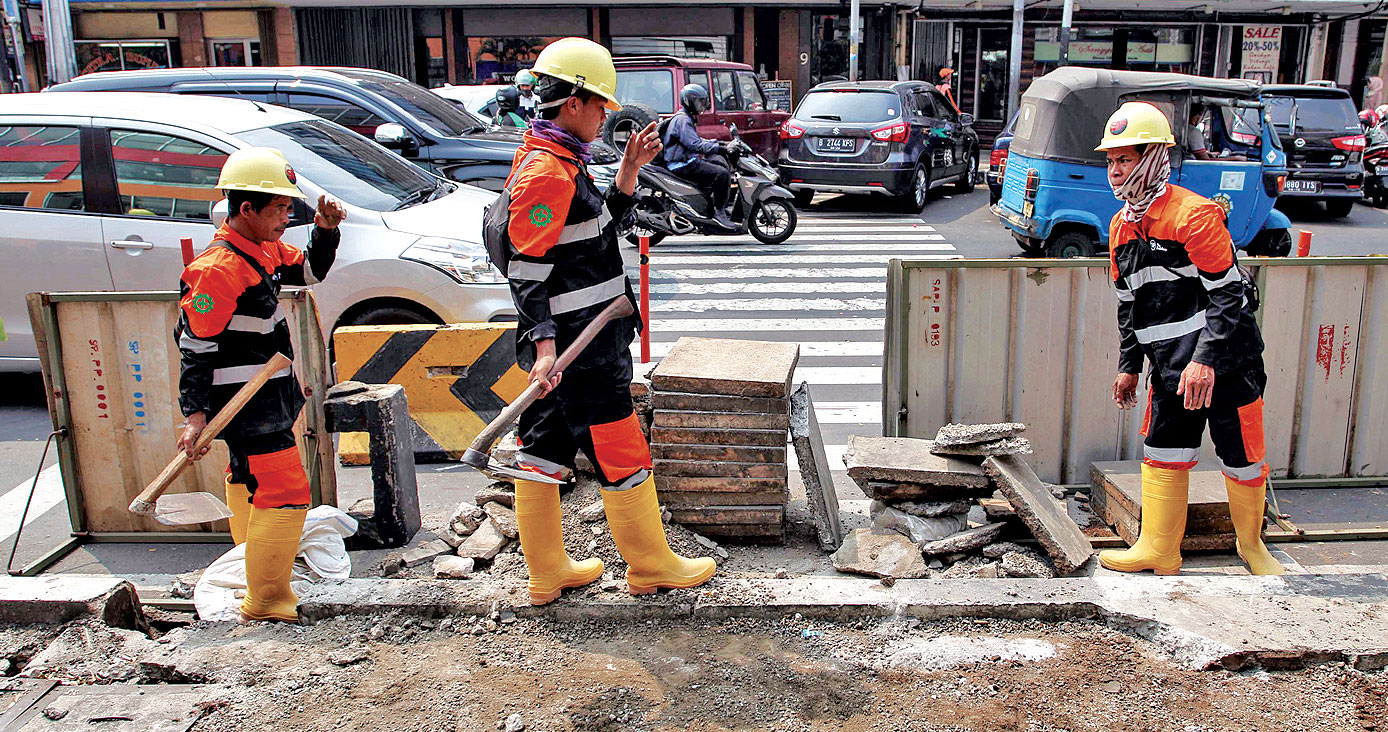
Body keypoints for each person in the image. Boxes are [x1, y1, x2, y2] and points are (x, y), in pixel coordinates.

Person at [502, 37, 716, 605]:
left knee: (542, 449)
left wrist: (626, 173)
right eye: (600, 105)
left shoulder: (557, 158)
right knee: (622, 450)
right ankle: (649, 565)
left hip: (572, 342)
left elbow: (591, 237)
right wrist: (548, 348)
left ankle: (546, 573)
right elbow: (528, 271)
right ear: (573, 102)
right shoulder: (546, 173)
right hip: (580, 350)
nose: (604, 115)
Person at [1095, 101, 1283, 577]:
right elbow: (1129, 305)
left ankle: (1252, 549)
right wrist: (1128, 366)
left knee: (1241, 455)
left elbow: (1230, 296)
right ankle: (1159, 550)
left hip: (1228, 364)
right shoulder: (1121, 228)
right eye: (1112, 160)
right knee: (1163, 451)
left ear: (1155, 157)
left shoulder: (1193, 216)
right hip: (1171, 369)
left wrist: (1206, 360)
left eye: (1126, 159)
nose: (1116, 171)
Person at [174, 147, 347, 622]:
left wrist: (325, 231)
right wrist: (195, 417)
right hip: (242, 403)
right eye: (279, 209)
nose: (287, 219)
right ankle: (267, 597)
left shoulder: (262, 249)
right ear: (245, 209)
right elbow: (195, 348)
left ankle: (258, 568)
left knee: (249, 480)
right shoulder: (218, 269)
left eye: (290, 209)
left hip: (266, 395)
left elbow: (309, 272)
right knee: (287, 491)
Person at [662, 83, 736, 227]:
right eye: (699, 102)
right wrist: (722, 148)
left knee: (718, 162)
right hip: (682, 164)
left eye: (703, 102)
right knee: (722, 174)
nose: (702, 106)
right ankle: (719, 212)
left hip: (687, 160)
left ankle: (711, 203)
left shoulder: (686, 117)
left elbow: (697, 140)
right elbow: (695, 145)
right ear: (689, 101)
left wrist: (722, 144)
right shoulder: (683, 120)